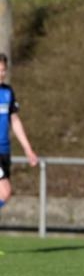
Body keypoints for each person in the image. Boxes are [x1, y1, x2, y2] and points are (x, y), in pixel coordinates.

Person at [0, 53, 38, 210]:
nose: (1, 74)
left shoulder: (8, 93)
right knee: (5, 191)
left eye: (3, 70)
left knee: (3, 194)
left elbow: (14, 121)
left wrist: (28, 150)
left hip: (4, 150)